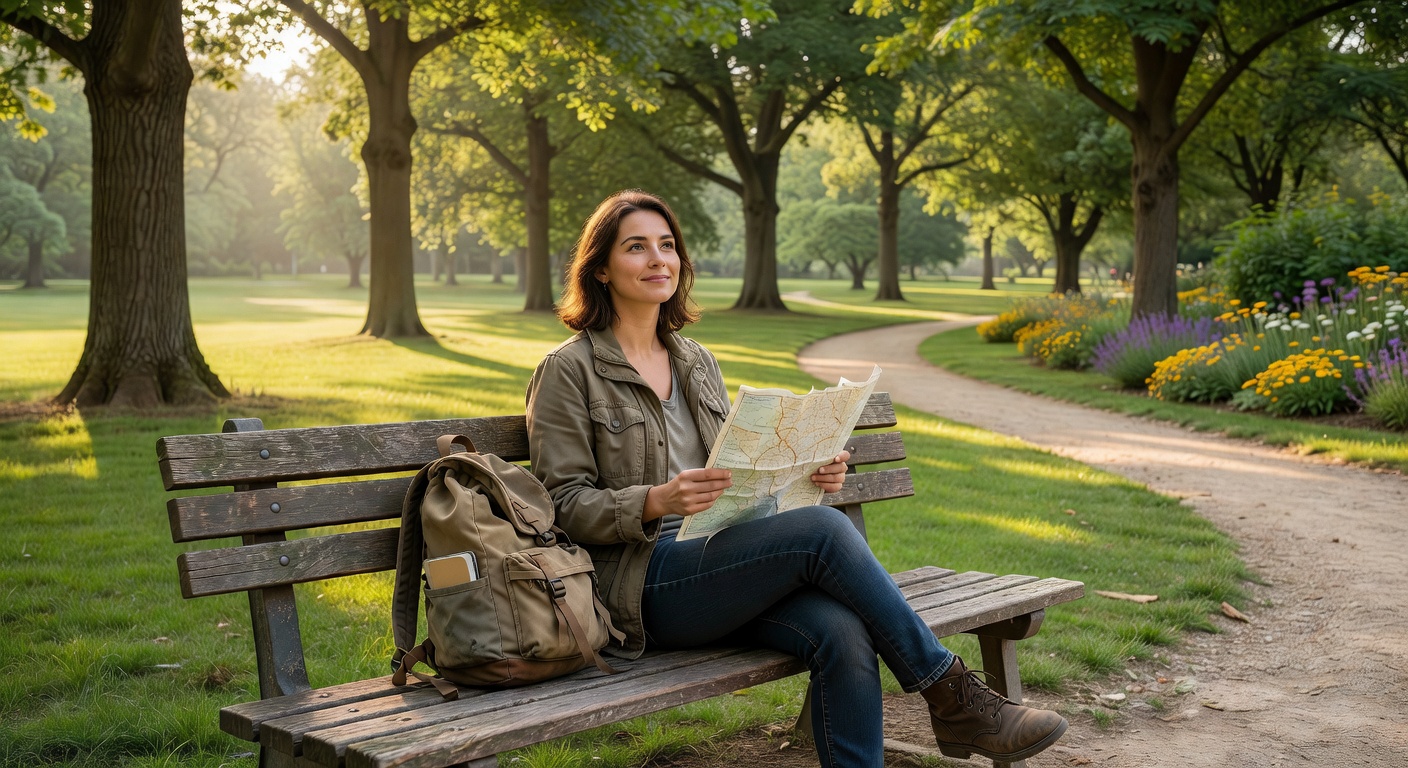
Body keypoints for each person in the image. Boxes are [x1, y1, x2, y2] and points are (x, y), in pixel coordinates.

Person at [525, 190, 1067, 767]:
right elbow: (559, 507)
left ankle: (943, 716)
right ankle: (952, 697)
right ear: (601, 269)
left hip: (721, 560)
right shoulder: (569, 370)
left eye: (668, 246)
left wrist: (806, 471)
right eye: (637, 247)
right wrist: (656, 500)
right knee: (823, 531)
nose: (658, 259)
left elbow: (735, 475)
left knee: (842, 631)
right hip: (642, 582)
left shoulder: (696, 361)